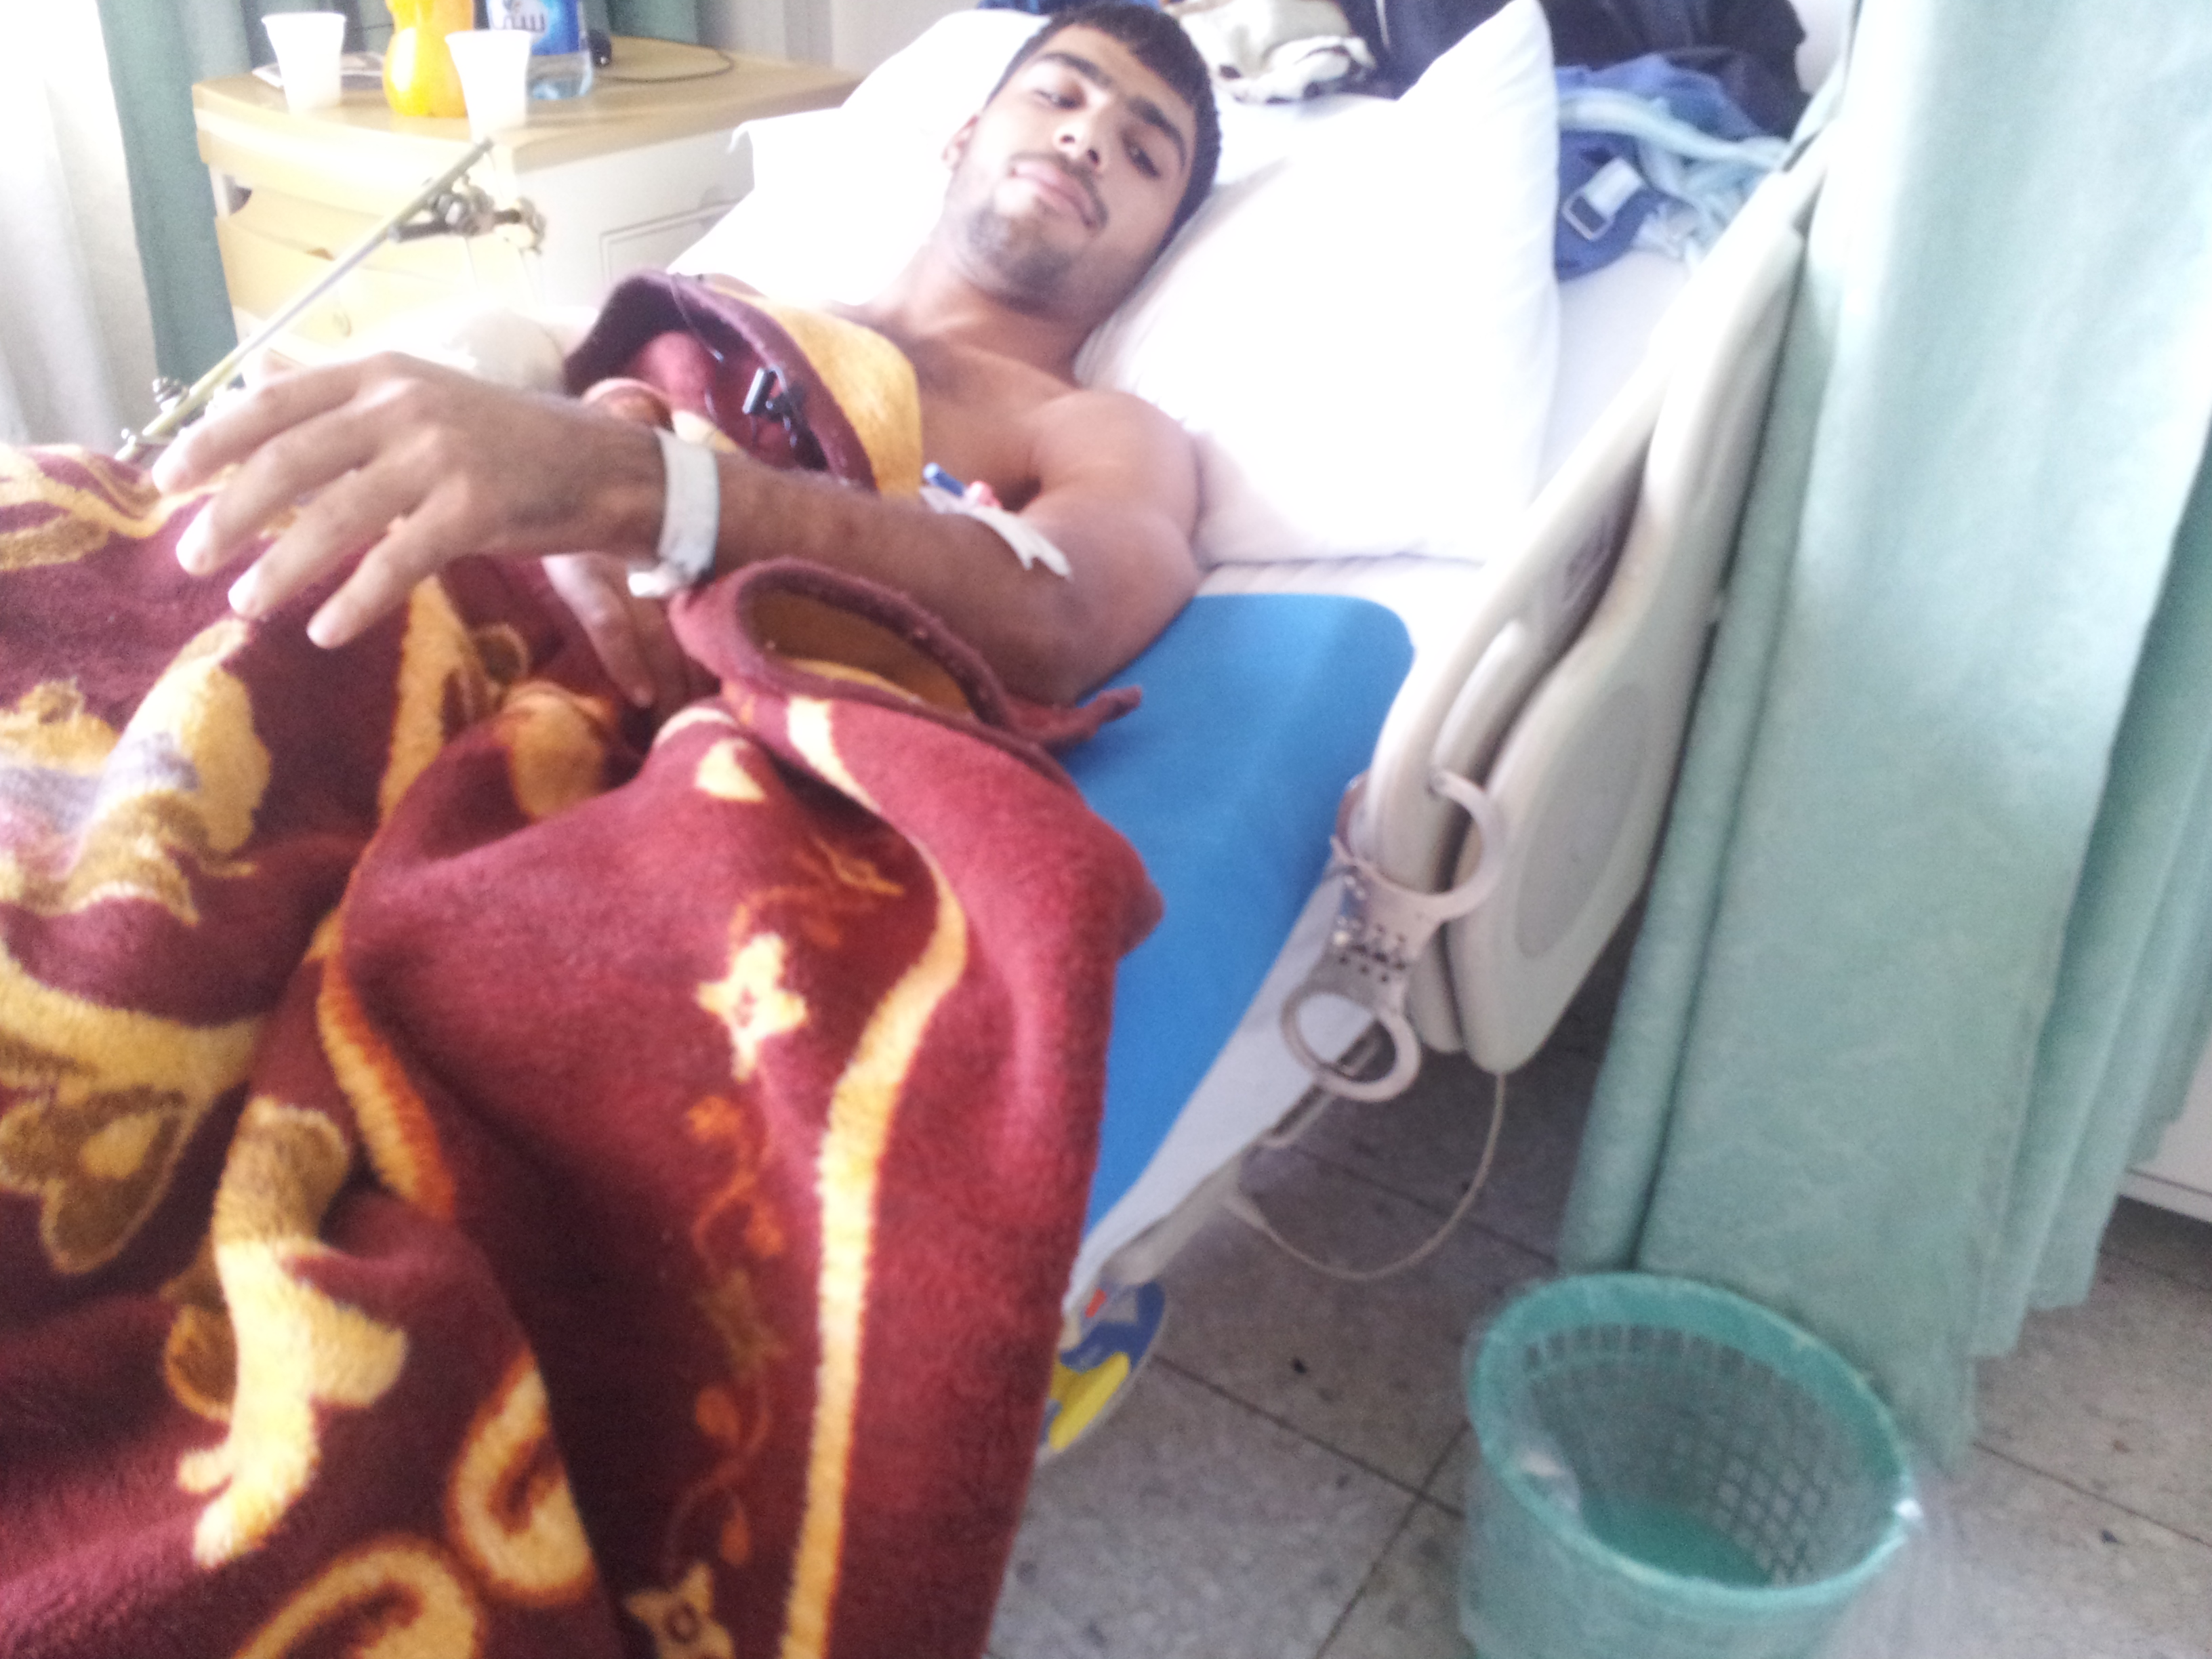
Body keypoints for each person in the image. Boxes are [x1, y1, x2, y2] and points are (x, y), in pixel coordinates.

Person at [151, 3, 1222, 712]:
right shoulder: (739, 302)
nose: (1088, 138)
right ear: (961, 137)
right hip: (404, 572)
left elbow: (1063, 616)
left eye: (1141, 153)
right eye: (1060, 95)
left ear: (1157, 248)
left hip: (626, 693)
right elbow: (539, 378)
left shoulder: (1091, 427)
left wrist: (640, 491)